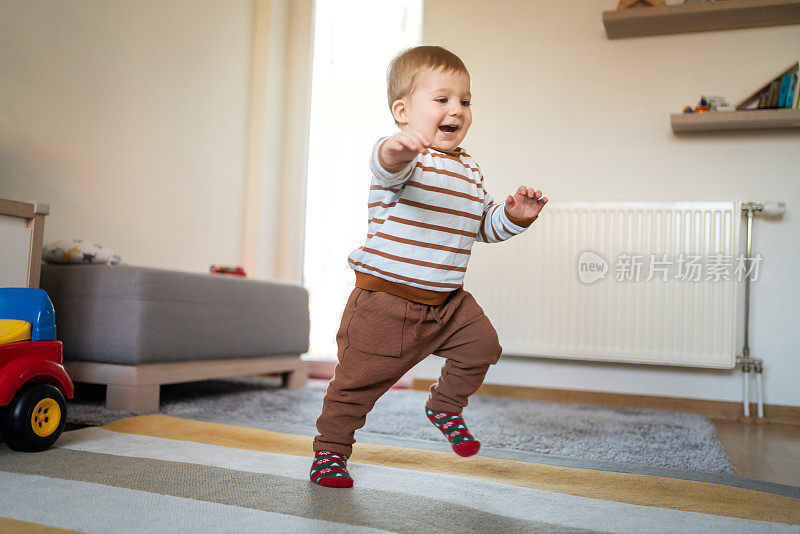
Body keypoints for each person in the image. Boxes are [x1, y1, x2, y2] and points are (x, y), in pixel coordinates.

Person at [310, 45, 548, 488]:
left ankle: (444, 405)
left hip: (447, 303)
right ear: (402, 110)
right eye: (442, 99)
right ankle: (329, 452)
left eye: (465, 100)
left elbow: (483, 226)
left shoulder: (470, 168)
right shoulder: (404, 158)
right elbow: (387, 164)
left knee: (483, 347)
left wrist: (513, 217)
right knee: (356, 387)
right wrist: (397, 149)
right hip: (386, 302)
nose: (456, 109)